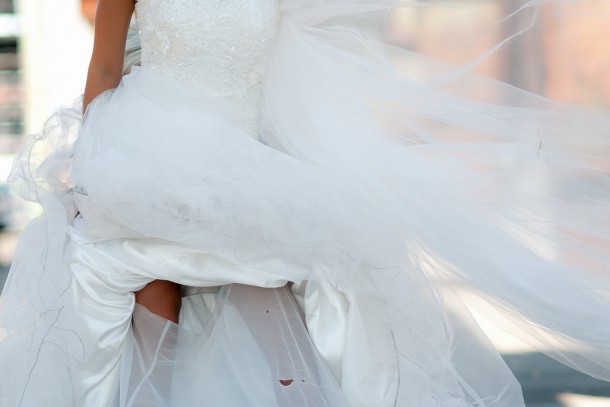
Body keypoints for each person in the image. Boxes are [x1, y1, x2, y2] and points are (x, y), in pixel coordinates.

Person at [1, 0, 610, 406]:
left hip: (243, 153)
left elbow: (298, 72)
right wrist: (90, 165)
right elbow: (105, 67)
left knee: (288, 265)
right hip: (150, 146)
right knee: (143, 270)